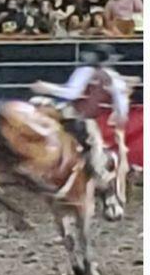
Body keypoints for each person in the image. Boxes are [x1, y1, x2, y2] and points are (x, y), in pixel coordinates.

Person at [31, 44, 135, 208]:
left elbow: (71, 93)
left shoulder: (86, 72)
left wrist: (47, 88)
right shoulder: (113, 78)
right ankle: (109, 187)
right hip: (96, 120)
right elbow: (122, 107)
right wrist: (118, 117)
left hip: (85, 119)